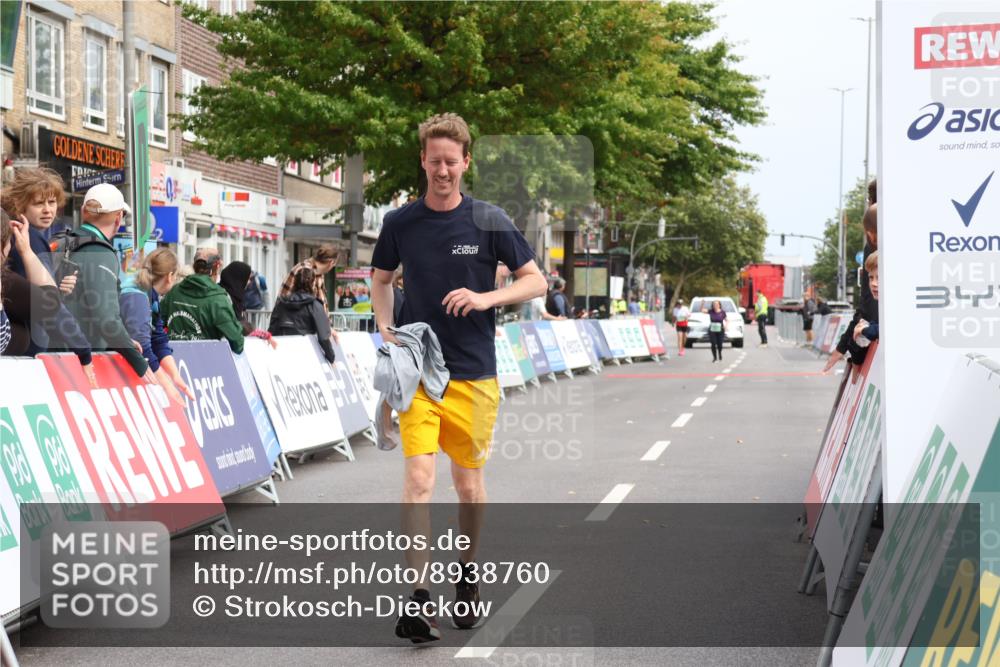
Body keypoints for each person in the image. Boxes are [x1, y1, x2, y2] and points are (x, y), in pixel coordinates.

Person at [370, 112, 546, 642]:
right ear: (422, 161)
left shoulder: (490, 220)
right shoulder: (400, 223)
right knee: (419, 480)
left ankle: (467, 576)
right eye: (434, 160)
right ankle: (419, 598)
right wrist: (385, 328)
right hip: (420, 371)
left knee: (468, 487)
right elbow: (380, 279)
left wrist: (486, 297)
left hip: (473, 374)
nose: (442, 170)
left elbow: (535, 281)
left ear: (465, 162)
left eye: (452, 161)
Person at [2, 167, 94, 378]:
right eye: (38, 203)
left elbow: (33, 292)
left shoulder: (19, 232)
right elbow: (46, 305)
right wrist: (83, 351)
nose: (47, 210)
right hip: (25, 355)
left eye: (51, 202)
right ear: (19, 205)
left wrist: (55, 282)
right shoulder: (29, 237)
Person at [61, 183, 151, 382]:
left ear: (84, 211)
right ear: (118, 218)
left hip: (53, 354)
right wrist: (139, 363)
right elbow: (106, 319)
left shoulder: (62, 241)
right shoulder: (100, 251)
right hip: (82, 364)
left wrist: (125, 340)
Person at [119, 249, 194, 405]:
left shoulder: (149, 295)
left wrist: (175, 376)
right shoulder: (136, 295)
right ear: (170, 277)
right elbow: (142, 348)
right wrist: (167, 386)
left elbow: (158, 337)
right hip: (119, 372)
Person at [824, 204, 879, 375]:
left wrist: (863, 334)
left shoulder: (874, 250)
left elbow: (868, 314)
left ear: (870, 233)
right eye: (871, 278)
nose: (874, 284)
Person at [1, 211, 62, 358]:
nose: (47, 210)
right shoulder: (4, 280)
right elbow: (50, 304)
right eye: (38, 203)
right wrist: (26, 251)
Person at [160, 252, 245, 353]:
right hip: (205, 361)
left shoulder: (174, 291)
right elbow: (237, 343)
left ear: (194, 266)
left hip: (174, 359)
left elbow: (156, 323)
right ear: (217, 267)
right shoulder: (218, 299)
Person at [268, 267, 336, 363]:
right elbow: (324, 337)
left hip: (282, 353)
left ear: (294, 282)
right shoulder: (315, 304)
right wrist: (331, 358)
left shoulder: (281, 302)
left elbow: (271, 330)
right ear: (313, 284)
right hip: (307, 354)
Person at [220, 260, 278, 347]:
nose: (248, 282)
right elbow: (235, 326)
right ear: (238, 278)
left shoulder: (235, 297)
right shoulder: (224, 297)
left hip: (256, 307)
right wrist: (259, 334)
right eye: (246, 279)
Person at [280, 244, 337, 311]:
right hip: (298, 319)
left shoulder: (318, 273)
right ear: (331, 262)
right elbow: (305, 307)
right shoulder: (305, 271)